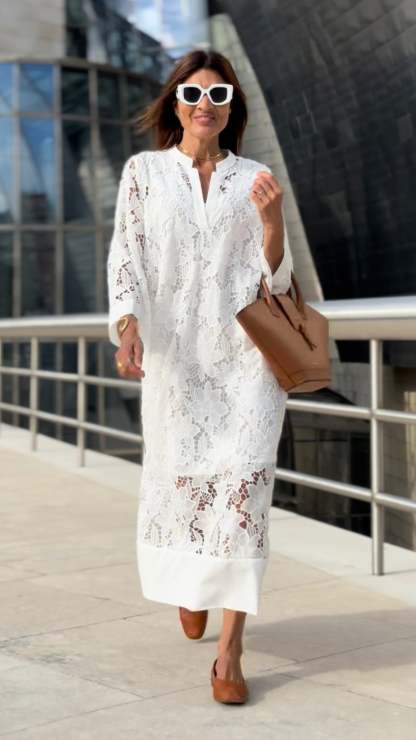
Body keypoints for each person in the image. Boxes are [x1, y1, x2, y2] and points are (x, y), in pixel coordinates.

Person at [107, 49, 293, 704]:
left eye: (219, 95)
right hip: (176, 362)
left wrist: (272, 222)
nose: (205, 105)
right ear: (176, 102)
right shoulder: (144, 174)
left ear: (232, 107)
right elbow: (127, 255)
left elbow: (278, 280)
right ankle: (192, 584)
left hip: (246, 363)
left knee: (243, 494)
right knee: (185, 486)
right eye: (193, 93)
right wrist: (127, 323)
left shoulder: (256, 178)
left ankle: (230, 653)